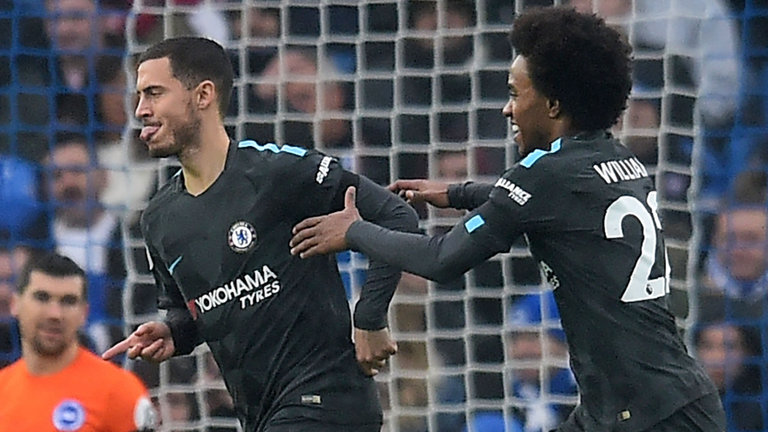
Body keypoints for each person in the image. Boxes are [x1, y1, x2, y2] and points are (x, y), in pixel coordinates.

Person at [289, 6, 726, 432]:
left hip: (650, 416)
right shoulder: (618, 158)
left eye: (517, 93)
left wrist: (353, 231)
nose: (507, 109)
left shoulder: (544, 174)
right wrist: (457, 193)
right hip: (653, 401)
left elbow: (441, 259)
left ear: (553, 105)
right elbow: (546, 203)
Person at [101, 37, 419, 432]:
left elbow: (397, 215)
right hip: (261, 416)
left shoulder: (278, 173)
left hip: (327, 401)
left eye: (153, 93)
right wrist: (174, 333)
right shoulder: (159, 219)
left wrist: (369, 317)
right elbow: (197, 311)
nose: (140, 111)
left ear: (203, 95)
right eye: (138, 97)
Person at [0, 252, 156, 431]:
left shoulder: (119, 391)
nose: (55, 314)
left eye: (68, 301)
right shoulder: (2, 389)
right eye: (42, 298)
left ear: (84, 313)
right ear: (15, 304)